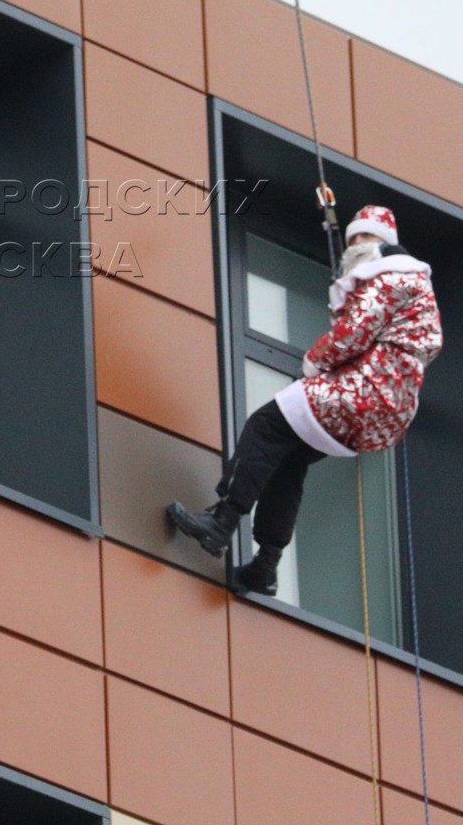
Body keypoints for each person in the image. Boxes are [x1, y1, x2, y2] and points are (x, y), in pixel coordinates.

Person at [167, 204, 443, 595]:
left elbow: (353, 334)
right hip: (385, 412)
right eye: (354, 238)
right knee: (289, 460)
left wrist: (314, 362)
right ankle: (265, 566)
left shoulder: (393, 276)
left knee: (266, 425)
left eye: (366, 237)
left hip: (364, 393)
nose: (358, 244)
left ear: (384, 243)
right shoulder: (411, 285)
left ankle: (222, 522)